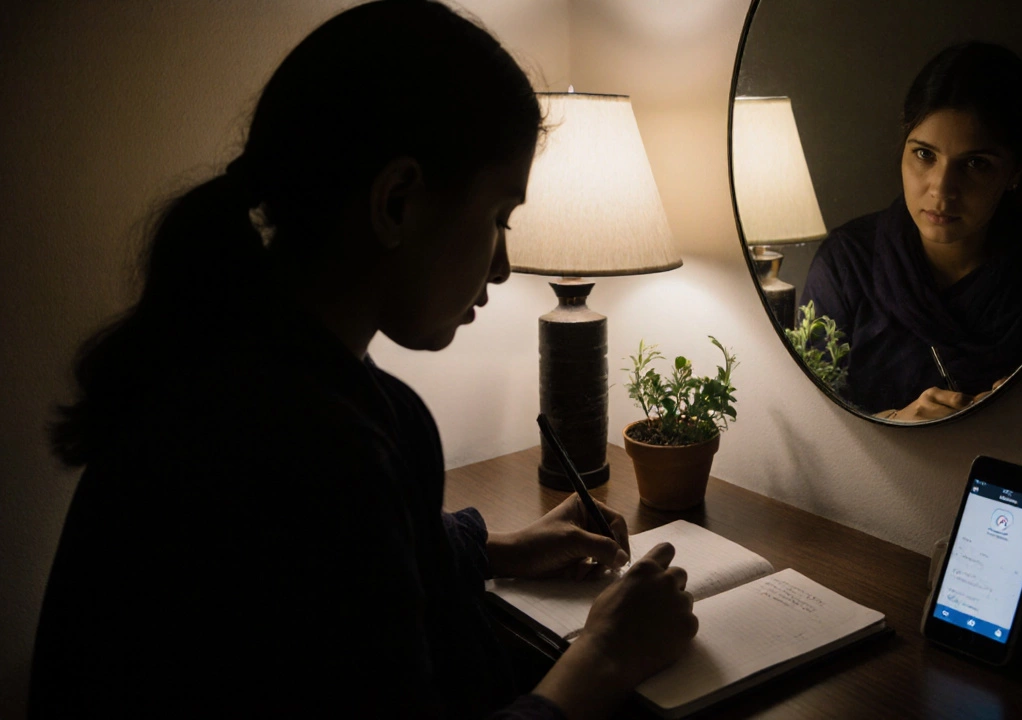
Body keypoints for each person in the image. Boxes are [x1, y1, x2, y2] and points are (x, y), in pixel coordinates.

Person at [29, 2, 697, 717]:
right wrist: (603, 656)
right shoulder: (310, 447)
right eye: (499, 217)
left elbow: (320, 579)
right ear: (398, 201)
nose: (501, 267)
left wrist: (497, 547)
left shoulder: (219, 358)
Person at [800, 42, 1022, 422]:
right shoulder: (848, 264)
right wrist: (896, 419)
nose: (941, 189)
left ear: (1017, 170)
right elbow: (811, 419)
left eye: (975, 164)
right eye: (924, 155)